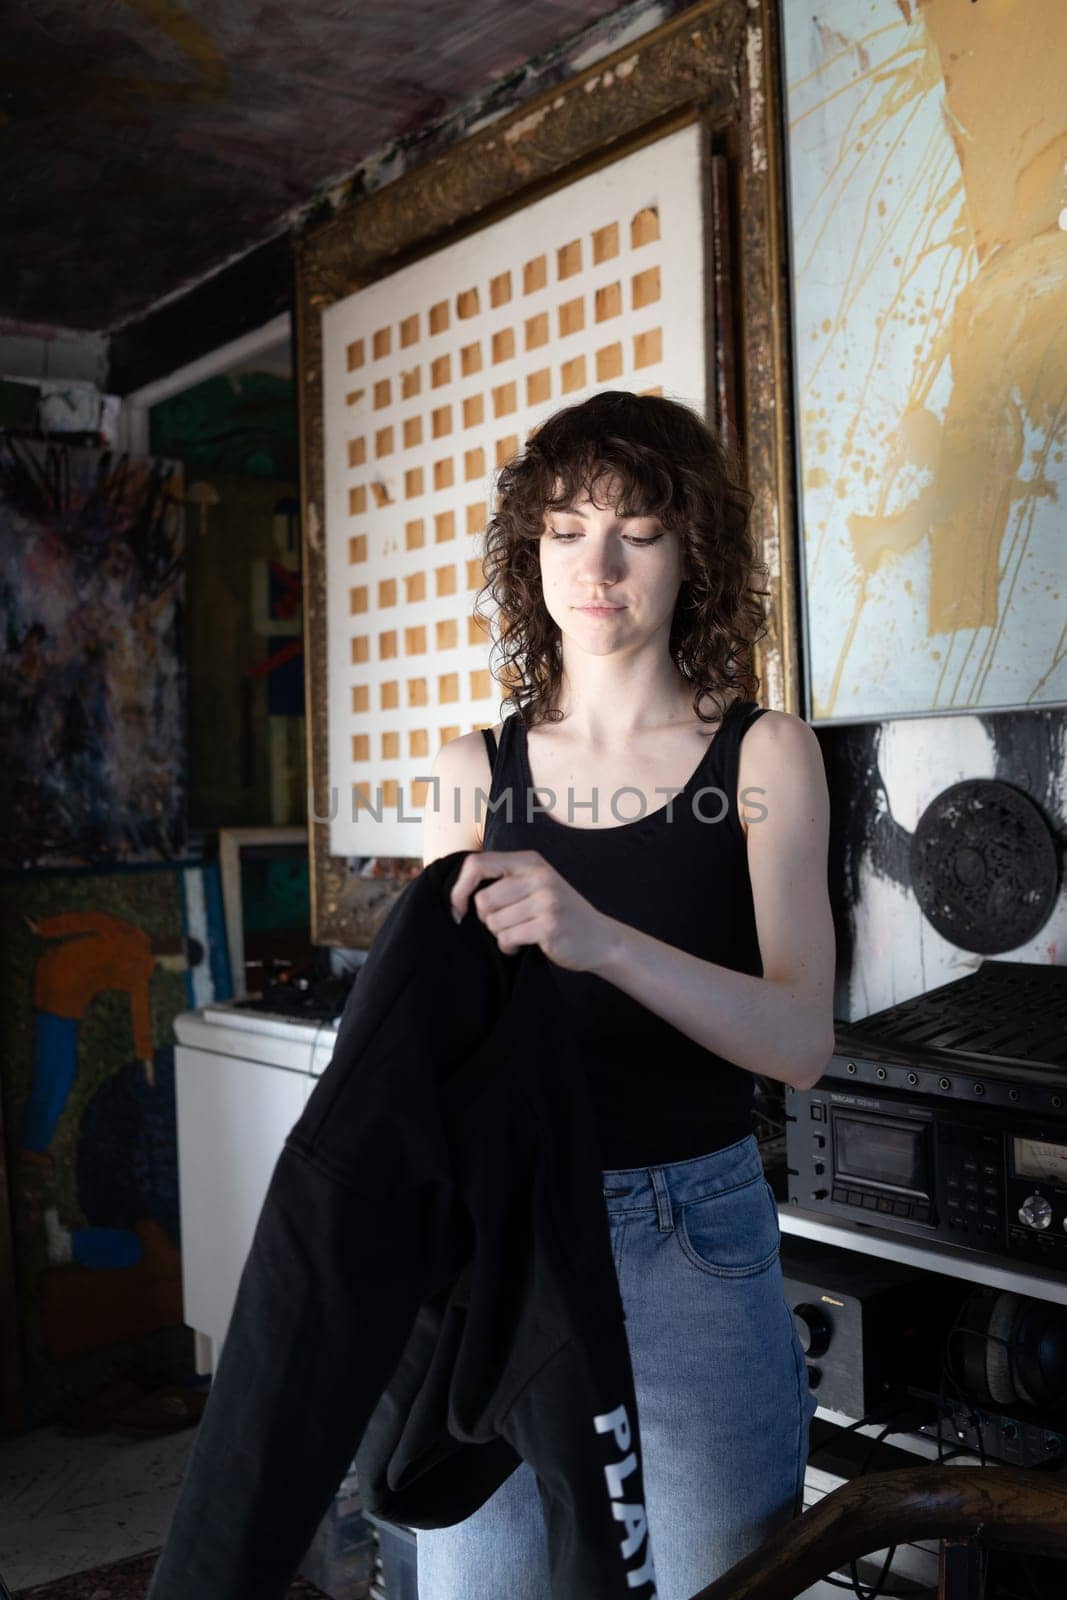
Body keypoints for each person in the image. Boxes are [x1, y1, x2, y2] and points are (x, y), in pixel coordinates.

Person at [419, 388, 832, 1600]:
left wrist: (600, 939)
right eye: (562, 528)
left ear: (690, 551)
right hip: (500, 1241)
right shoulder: (468, 774)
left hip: (689, 1235)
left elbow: (799, 1039)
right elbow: (440, 1043)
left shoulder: (763, 754)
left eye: (635, 532)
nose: (593, 565)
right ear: (527, 550)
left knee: (719, 1586)